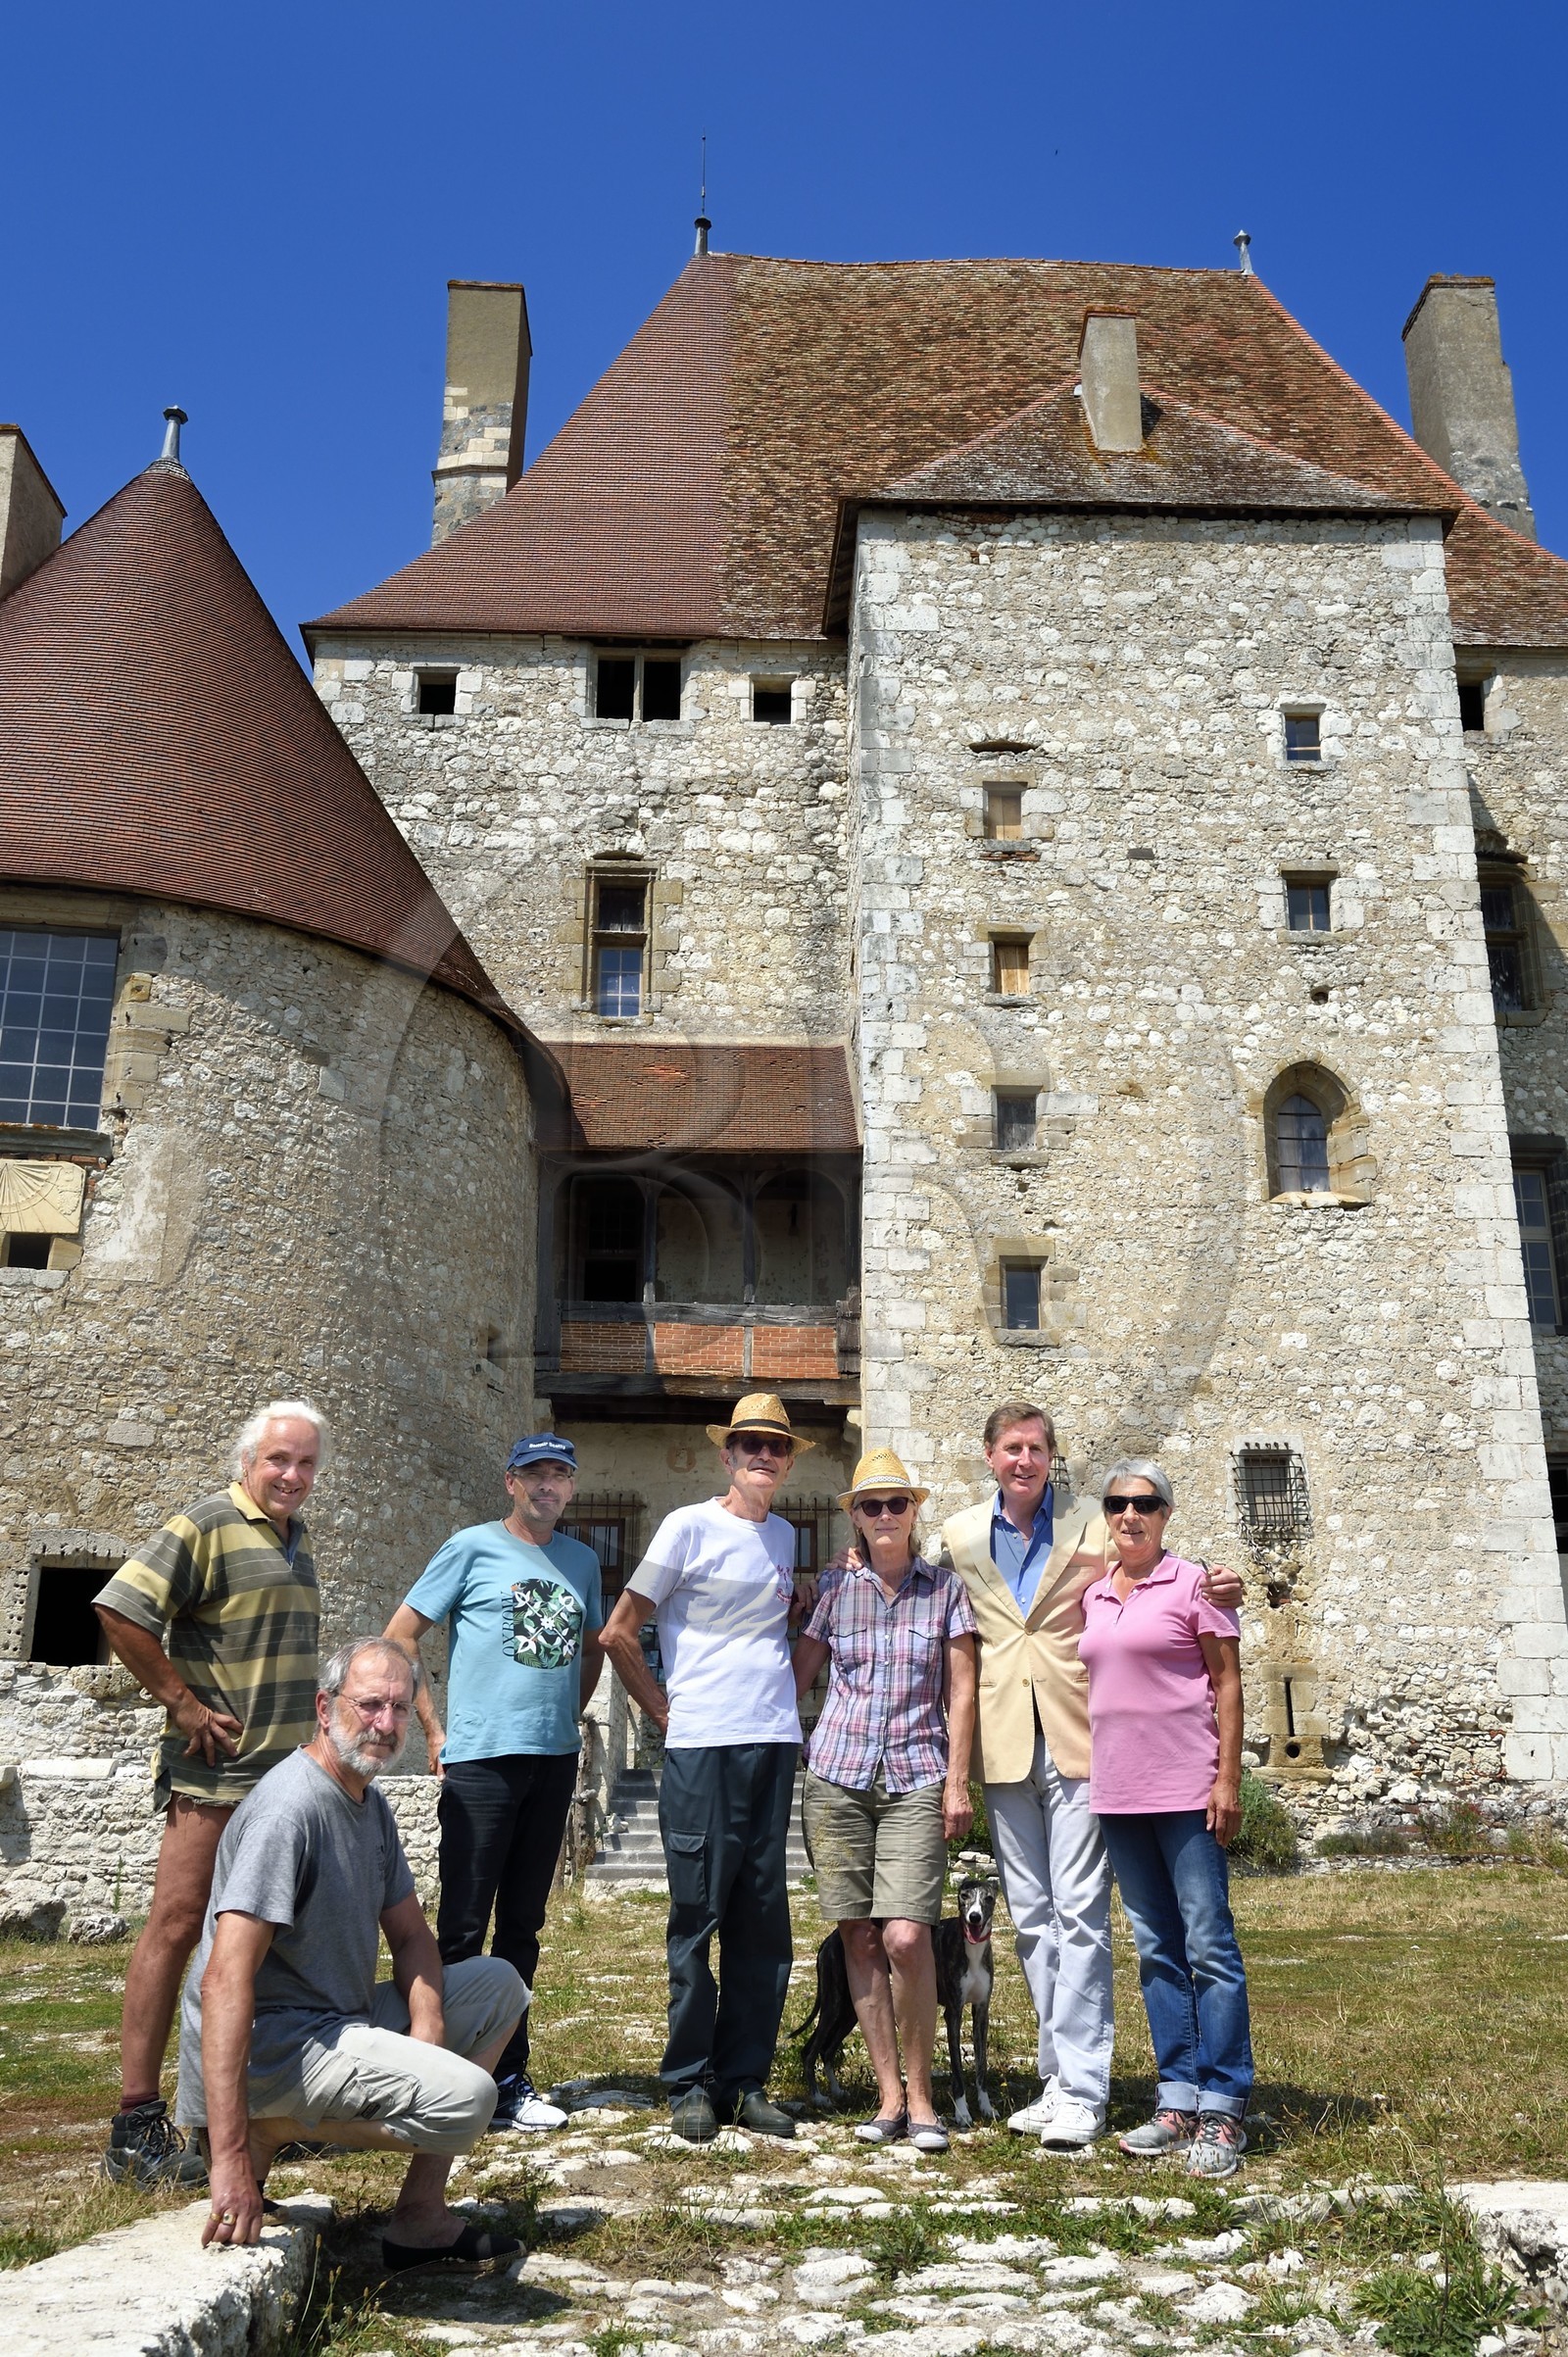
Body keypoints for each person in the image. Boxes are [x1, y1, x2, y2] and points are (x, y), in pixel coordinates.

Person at [939, 1399, 1243, 2150]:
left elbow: (1156, 1566)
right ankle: (1056, 2076)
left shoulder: (1093, 1523)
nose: (1025, 1460)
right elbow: (909, 1577)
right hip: (1005, 1744)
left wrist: (1217, 1579)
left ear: (1051, 1457)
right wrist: (844, 1560)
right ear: (989, 1455)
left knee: (1080, 1912)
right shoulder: (958, 1536)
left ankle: (1086, 2088)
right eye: (1011, 1447)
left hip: (1081, 1738)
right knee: (1033, 1920)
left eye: (1037, 1447)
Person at [176, 1637, 527, 2264]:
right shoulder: (290, 1812)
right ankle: (266, 2129)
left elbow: (414, 1936)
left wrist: (428, 2026)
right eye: (368, 1706)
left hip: (338, 2021)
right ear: (324, 1706)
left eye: (398, 1708)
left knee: (500, 1984)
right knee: (471, 2099)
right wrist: (226, 2160)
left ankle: (419, 2215)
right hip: (274, 2046)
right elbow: (223, 1982)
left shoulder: (369, 1804)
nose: (385, 1725)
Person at [93, 1399, 326, 2186]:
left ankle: (249, 2112)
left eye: (304, 1463)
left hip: (285, 1784)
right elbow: (120, 1608)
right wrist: (183, 1703)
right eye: (278, 1461)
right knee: (174, 1925)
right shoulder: (205, 1524)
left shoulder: (298, 1544)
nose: (292, 1475)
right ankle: (134, 2124)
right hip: (215, 1775)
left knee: (262, 1946)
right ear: (247, 1461)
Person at [601, 1392, 811, 2144]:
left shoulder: (787, 1536)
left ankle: (745, 2077)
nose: (763, 1455)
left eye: (776, 1447)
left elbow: (771, 1625)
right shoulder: (686, 1525)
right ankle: (688, 2078)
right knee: (697, 1911)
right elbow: (620, 1631)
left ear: (788, 1461)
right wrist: (665, 1713)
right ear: (727, 1455)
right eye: (749, 1444)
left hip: (773, 1739)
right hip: (701, 1745)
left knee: (763, 1916)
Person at [383, 1433, 604, 2134]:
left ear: (571, 1487)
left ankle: (506, 2077)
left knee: (525, 1927)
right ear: (511, 1482)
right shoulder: (470, 1545)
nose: (549, 1484)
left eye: (560, 1473)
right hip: (479, 1761)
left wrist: (567, 1716)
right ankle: (435, 2074)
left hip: (552, 1758)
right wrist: (433, 1728)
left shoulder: (584, 1561)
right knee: (462, 1925)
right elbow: (401, 1633)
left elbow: (590, 1650)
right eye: (536, 1472)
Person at [791, 1448, 977, 2152]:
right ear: (856, 1518)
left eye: (897, 1503)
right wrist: (792, 1605)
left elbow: (962, 1691)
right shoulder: (836, 1590)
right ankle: (888, 2092)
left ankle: (924, 2093)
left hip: (916, 1774)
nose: (886, 1515)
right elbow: (797, 1677)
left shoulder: (946, 1591)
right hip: (836, 1774)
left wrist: (958, 1780)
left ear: (914, 1510)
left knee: (907, 1933)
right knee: (859, 1935)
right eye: (871, 1505)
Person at [1079, 1460, 1252, 2179]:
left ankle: (1225, 2105)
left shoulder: (1195, 1584)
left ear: (1166, 1513)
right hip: (1119, 1793)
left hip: (1186, 1789)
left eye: (1145, 1503)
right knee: (1155, 1948)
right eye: (1118, 1503)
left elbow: (1228, 1679)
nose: (1130, 1514)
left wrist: (1229, 1777)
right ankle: (1176, 2097)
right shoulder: (1093, 1594)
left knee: (1209, 1946)